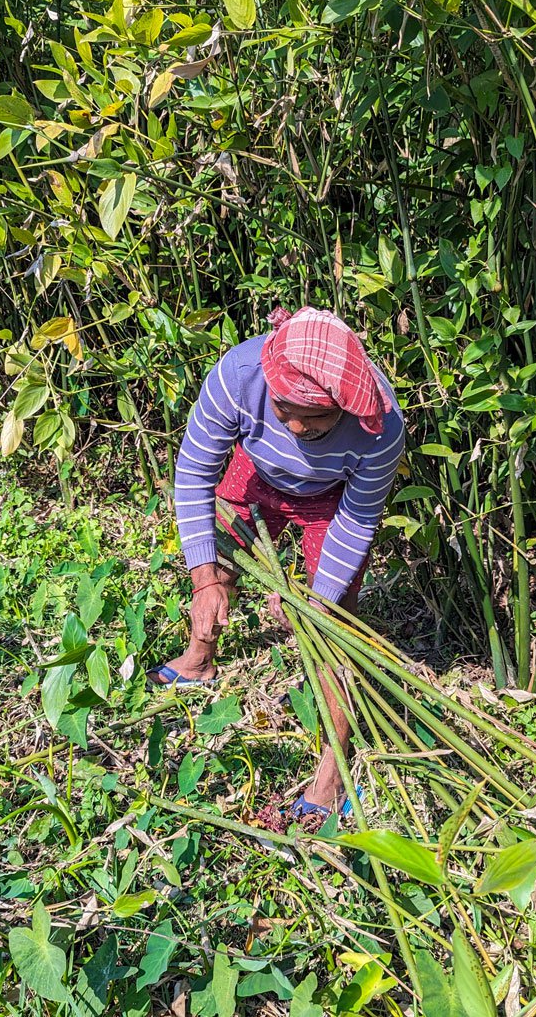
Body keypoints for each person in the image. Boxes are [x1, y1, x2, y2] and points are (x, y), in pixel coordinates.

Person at [156, 304, 405, 816]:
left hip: (331, 500)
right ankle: (200, 657)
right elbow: (195, 472)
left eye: (314, 417)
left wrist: (316, 603)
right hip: (257, 473)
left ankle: (331, 777)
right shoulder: (240, 375)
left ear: (345, 406)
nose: (293, 424)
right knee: (218, 559)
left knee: (333, 629)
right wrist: (204, 577)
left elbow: (358, 522)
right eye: (284, 407)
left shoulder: (382, 428)